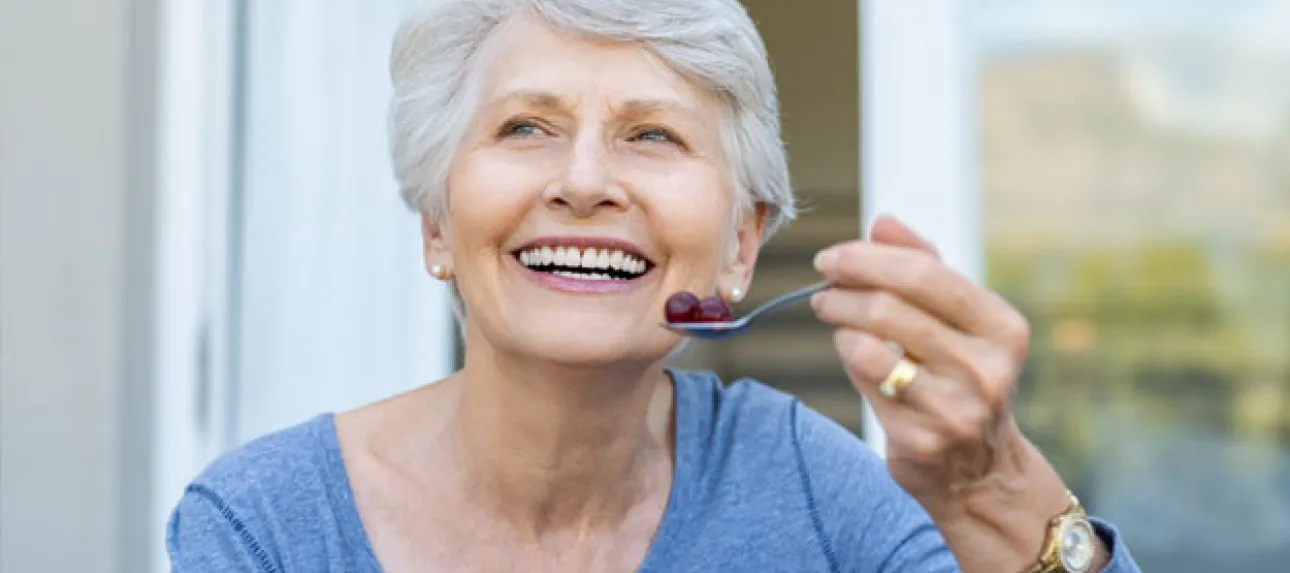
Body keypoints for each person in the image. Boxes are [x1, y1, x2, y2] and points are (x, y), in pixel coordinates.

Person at [166, 0, 1144, 571]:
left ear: (739, 248)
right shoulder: (267, 526)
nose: (584, 181)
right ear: (435, 224)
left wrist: (994, 487)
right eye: (525, 127)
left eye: (652, 135)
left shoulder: (809, 485)